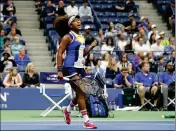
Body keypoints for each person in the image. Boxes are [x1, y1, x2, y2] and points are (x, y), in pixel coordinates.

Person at [55, 15, 97, 129]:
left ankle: (67, 110)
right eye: (74, 21)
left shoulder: (81, 37)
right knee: (82, 93)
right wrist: (59, 70)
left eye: (79, 20)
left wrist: (92, 46)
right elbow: (59, 53)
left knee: (81, 93)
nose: (78, 22)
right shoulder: (67, 37)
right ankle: (86, 121)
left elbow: (81, 54)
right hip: (69, 67)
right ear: (70, 25)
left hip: (79, 67)